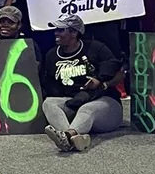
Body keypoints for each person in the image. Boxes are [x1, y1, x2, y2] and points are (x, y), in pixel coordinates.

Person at [39, 17, 123, 153]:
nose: (56, 33)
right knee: (48, 103)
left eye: (60, 30)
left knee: (87, 108)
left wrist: (99, 80)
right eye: (56, 29)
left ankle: (67, 136)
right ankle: (71, 137)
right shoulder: (51, 55)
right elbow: (50, 84)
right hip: (74, 102)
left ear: (74, 33)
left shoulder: (96, 48)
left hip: (104, 103)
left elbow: (114, 65)